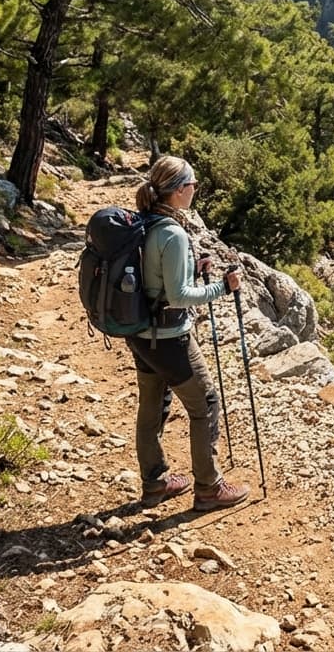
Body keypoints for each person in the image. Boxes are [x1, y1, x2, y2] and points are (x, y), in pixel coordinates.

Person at [130, 156, 249, 512]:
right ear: (180, 189)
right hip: (169, 337)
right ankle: (209, 488)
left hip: (140, 333)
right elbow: (179, 296)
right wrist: (223, 288)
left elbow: (157, 278)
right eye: (193, 183)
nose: (196, 188)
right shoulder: (173, 233)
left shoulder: (145, 221)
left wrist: (192, 268)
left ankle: (154, 483)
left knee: (152, 405)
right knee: (205, 404)